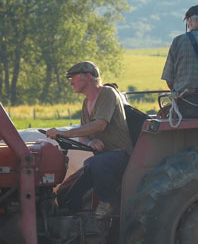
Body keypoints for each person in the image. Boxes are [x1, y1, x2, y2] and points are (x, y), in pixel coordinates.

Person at [45, 61, 133, 217]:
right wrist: (90, 142)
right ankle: (74, 220)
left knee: (94, 163)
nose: (71, 82)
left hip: (121, 155)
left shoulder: (107, 93)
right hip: (102, 160)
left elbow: (100, 125)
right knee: (66, 189)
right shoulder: (86, 103)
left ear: (88, 76)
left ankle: (110, 203)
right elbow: (83, 137)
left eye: (74, 77)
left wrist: (63, 133)